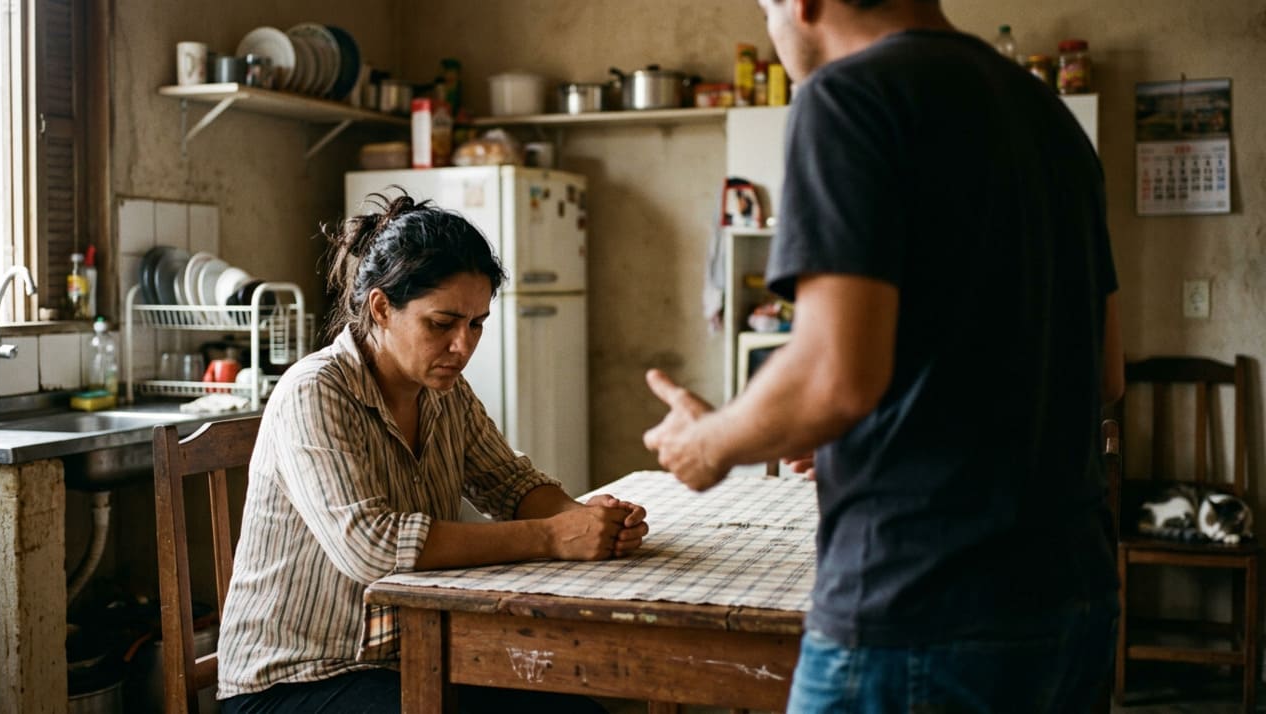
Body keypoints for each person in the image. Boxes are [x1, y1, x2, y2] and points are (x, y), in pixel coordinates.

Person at [643, 1, 1124, 712]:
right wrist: (854, 441)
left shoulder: (847, 96)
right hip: (1070, 600)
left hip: (924, 604)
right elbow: (1104, 372)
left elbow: (832, 377)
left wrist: (708, 444)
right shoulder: (1049, 117)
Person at [218, 195, 648, 713]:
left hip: (410, 657)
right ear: (381, 308)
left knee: (575, 710)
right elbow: (372, 548)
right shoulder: (314, 391)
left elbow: (509, 483)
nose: (462, 347)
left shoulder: (445, 391)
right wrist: (553, 536)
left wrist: (582, 518)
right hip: (290, 681)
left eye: (476, 324)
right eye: (441, 324)